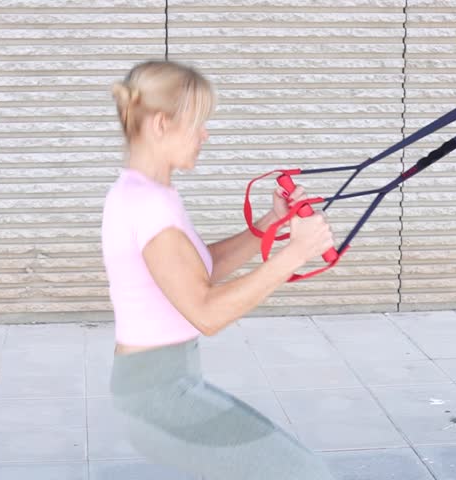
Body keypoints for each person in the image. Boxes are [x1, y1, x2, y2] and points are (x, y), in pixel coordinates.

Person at [101, 59, 337, 480]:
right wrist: (295, 254)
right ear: (160, 124)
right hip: (158, 397)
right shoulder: (148, 204)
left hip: (162, 386)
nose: (204, 135)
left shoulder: (146, 192)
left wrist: (268, 224)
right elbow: (206, 312)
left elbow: (197, 271)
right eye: (196, 123)